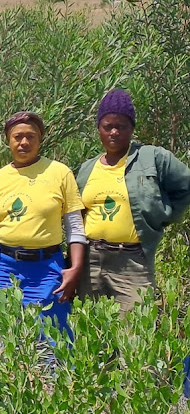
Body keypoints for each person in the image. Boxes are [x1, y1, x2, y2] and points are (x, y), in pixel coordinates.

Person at [75, 89, 190, 398]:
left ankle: (139, 410)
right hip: (91, 260)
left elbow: (185, 186)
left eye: (122, 126)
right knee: (94, 335)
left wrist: (165, 216)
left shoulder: (153, 158)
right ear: (98, 128)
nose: (114, 132)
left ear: (132, 128)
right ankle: (97, 406)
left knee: (137, 335)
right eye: (108, 125)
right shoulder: (87, 168)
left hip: (133, 261)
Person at [0, 111, 87, 340]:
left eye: (30, 136)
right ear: (8, 141)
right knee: (0, 336)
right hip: (2, 268)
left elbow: (74, 224)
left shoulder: (59, 173)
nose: (24, 142)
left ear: (39, 139)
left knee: (53, 337)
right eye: (17, 137)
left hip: (46, 269)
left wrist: (75, 269)